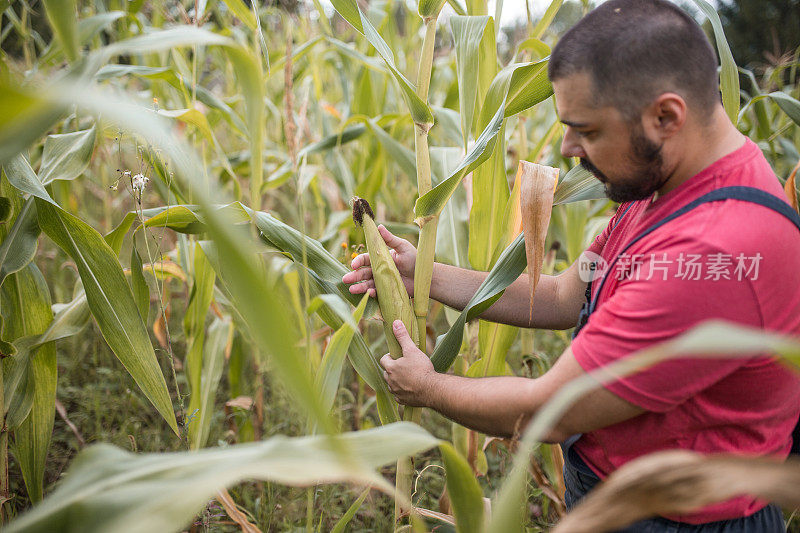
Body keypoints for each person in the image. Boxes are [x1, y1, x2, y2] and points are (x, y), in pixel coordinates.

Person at [342, 0, 800, 530]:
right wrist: (425, 272)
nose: (566, 148)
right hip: (623, 491)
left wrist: (427, 387)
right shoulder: (667, 186)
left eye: (585, 129)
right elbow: (566, 293)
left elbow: (547, 411)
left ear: (666, 116)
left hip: (676, 520)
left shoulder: (710, 254)